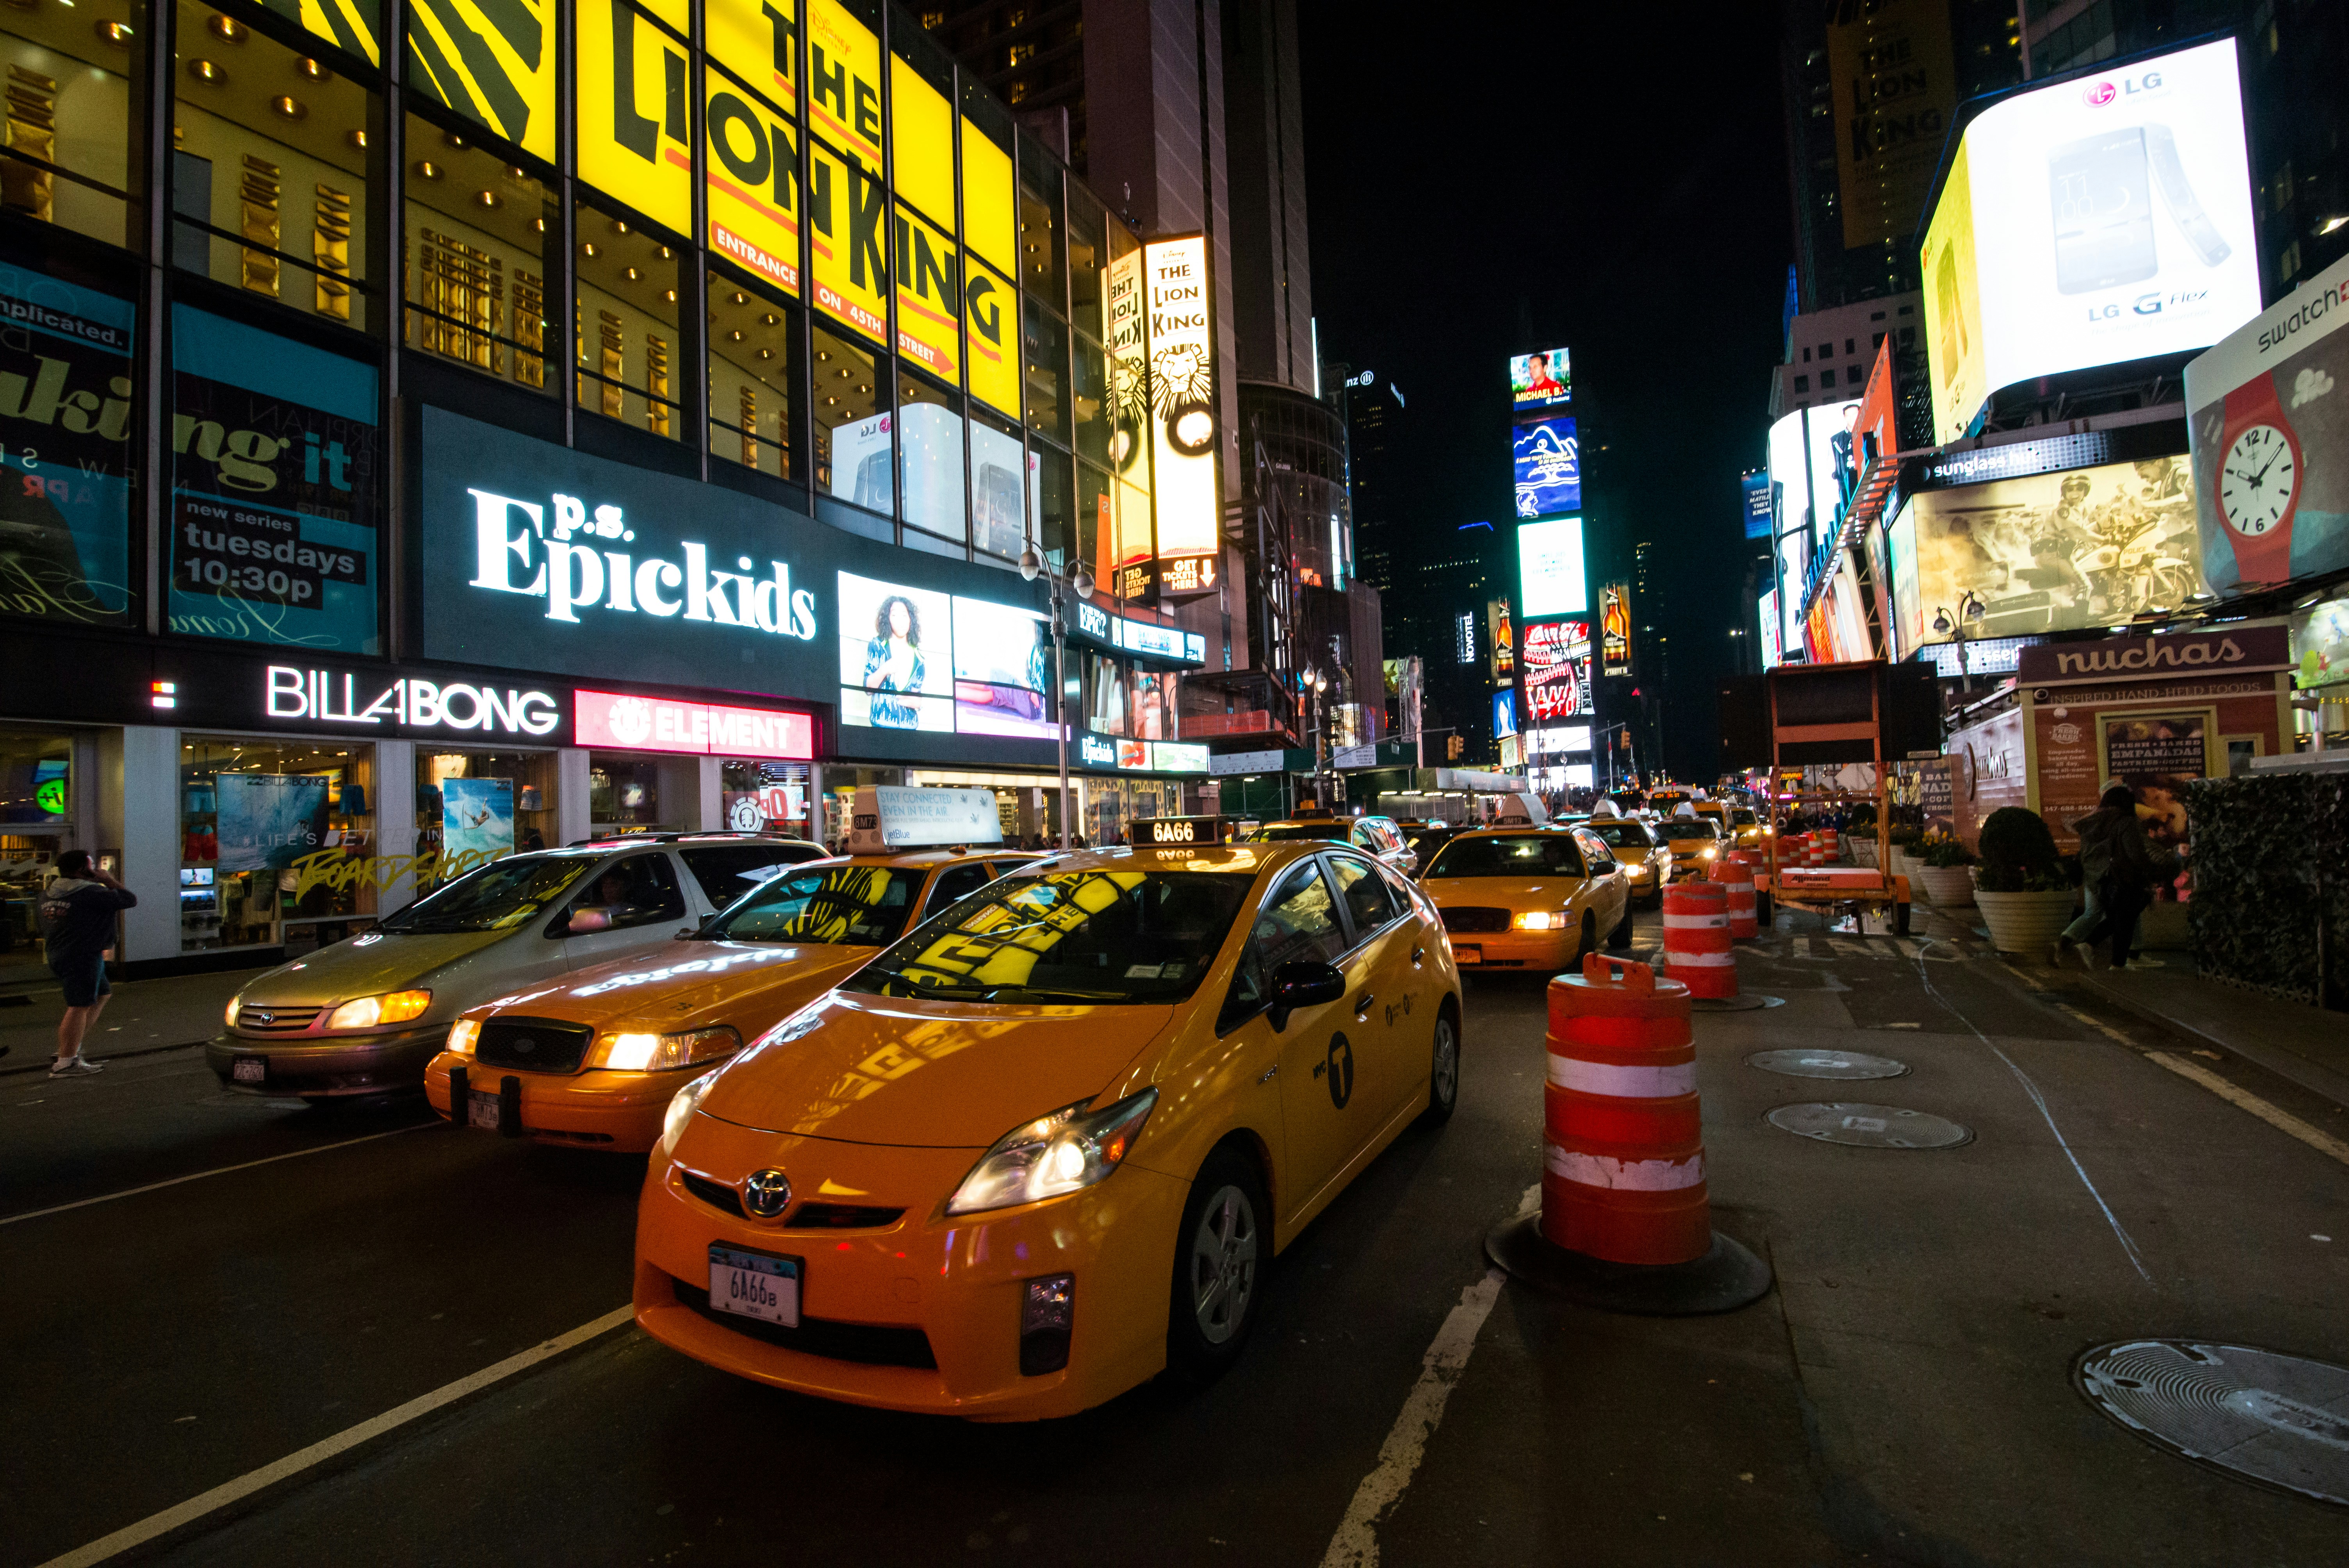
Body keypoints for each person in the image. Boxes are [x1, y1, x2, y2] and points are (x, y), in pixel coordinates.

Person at [39, 851, 137, 1077]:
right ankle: (65, 1063)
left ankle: (72, 1047)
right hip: (83, 955)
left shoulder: (47, 894)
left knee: (102, 993)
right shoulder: (92, 893)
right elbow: (129, 900)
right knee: (79, 1005)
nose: (96, 870)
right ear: (84, 871)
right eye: (92, 866)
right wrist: (109, 881)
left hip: (59, 952)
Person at [2059, 785, 2176, 970]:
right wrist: (2151, 871)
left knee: (2115, 917)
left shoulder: (2093, 822)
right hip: (2121, 877)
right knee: (2124, 917)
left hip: (2096, 877)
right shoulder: (2125, 822)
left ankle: (2098, 952)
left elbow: (2088, 853)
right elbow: (2136, 853)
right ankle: (2116, 958)